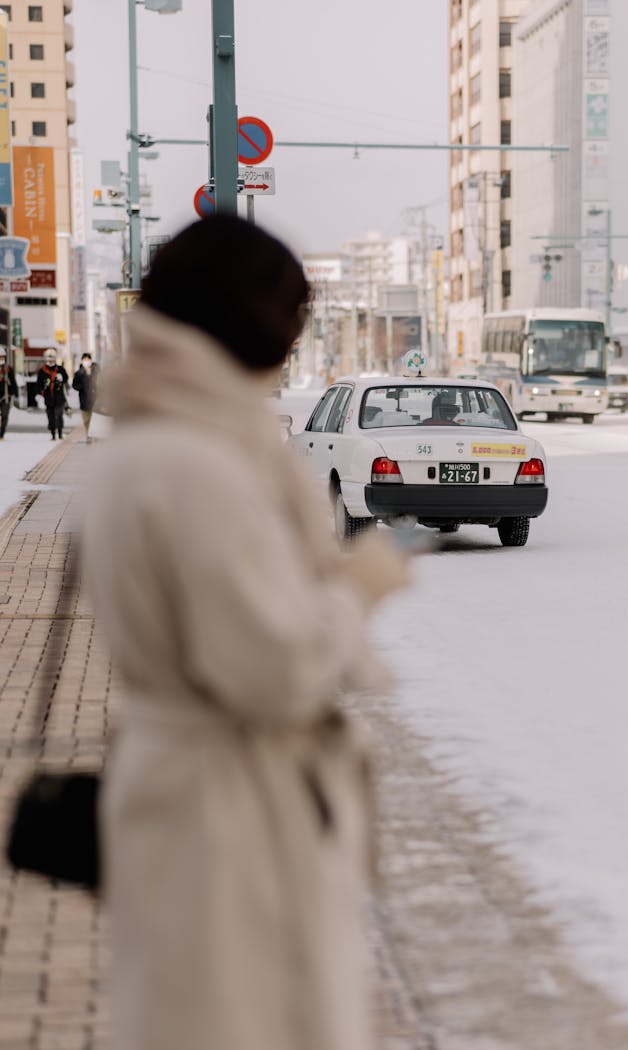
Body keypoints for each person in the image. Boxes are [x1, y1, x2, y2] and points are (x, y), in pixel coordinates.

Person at [82, 215, 411, 1050]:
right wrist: (352, 590)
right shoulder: (198, 464)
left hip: (188, 796)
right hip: (231, 817)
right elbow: (272, 669)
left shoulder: (147, 443)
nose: (292, 349)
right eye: (290, 325)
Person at [37, 348, 69, 440]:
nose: (50, 361)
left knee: (59, 415)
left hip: (59, 397)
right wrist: (39, 394)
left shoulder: (60, 369)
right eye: (49, 359)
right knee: (50, 416)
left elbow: (66, 379)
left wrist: (62, 378)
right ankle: (53, 434)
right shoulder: (42, 371)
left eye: (52, 359)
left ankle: (60, 432)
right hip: (48, 398)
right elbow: (38, 384)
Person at [72, 352, 99, 443]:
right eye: (85, 360)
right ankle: (88, 435)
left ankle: (95, 435)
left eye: (88, 359)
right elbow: (74, 385)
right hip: (84, 400)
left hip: (95, 400)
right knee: (86, 420)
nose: (87, 361)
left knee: (95, 419)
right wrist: (82, 388)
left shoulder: (96, 371)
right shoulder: (79, 373)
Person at [0, 349, 18, 439]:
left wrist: (15, 394)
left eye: (2, 357)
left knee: (4, 415)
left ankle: (1, 433)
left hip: (6, 396)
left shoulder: (8, 369)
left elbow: (13, 382)